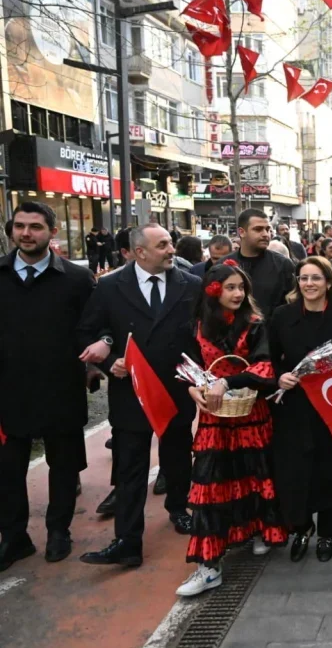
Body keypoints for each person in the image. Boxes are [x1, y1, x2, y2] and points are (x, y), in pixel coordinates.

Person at [78, 223, 201, 567]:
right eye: (162, 245)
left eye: (171, 243)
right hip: (130, 392)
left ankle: (179, 508)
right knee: (130, 465)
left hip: (176, 389)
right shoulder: (109, 286)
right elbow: (88, 330)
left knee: (178, 454)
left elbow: (201, 335)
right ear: (139, 252)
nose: (171, 250)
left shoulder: (191, 285)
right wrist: (110, 358)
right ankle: (128, 540)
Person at [175, 264, 288, 596]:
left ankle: (257, 531)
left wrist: (227, 381)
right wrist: (192, 388)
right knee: (210, 487)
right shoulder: (196, 326)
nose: (238, 294)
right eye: (230, 288)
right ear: (213, 291)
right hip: (215, 418)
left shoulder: (255, 324)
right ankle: (208, 567)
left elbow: (265, 367)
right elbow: (185, 365)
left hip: (252, 414)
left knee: (255, 475)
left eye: (241, 288)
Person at [0, 202, 95, 571]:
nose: (26, 233)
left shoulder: (75, 278)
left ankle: (59, 531)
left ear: (52, 232)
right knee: (8, 469)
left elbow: (92, 326)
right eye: (20, 226)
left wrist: (97, 357)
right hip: (9, 392)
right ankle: (14, 537)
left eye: (36, 226)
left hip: (62, 388)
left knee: (64, 465)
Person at [268, 257, 332, 564]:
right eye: (303, 278)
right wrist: (278, 376)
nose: (309, 284)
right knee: (295, 474)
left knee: (330, 473)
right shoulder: (282, 316)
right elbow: (269, 357)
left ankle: (327, 533)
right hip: (294, 409)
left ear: (328, 282)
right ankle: (301, 527)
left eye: (315, 278)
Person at [223, 210, 296, 317]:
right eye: (258, 229)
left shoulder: (283, 265)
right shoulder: (224, 265)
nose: (266, 234)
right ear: (242, 232)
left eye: (267, 229)